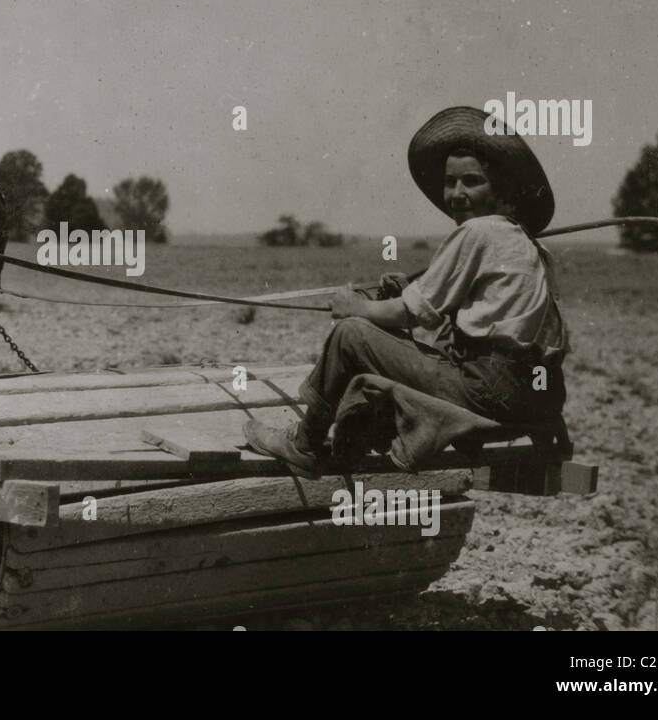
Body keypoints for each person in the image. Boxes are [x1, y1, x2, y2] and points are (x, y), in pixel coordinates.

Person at [243, 106, 569, 475]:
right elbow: (461, 307)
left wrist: (354, 307)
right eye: (450, 182)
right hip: (536, 398)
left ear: (501, 189)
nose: (456, 193)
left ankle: (303, 444)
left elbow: (409, 313)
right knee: (382, 337)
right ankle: (358, 432)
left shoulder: (478, 232)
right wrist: (409, 289)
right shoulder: (525, 242)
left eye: (472, 181)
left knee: (351, 335)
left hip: (489, 391)